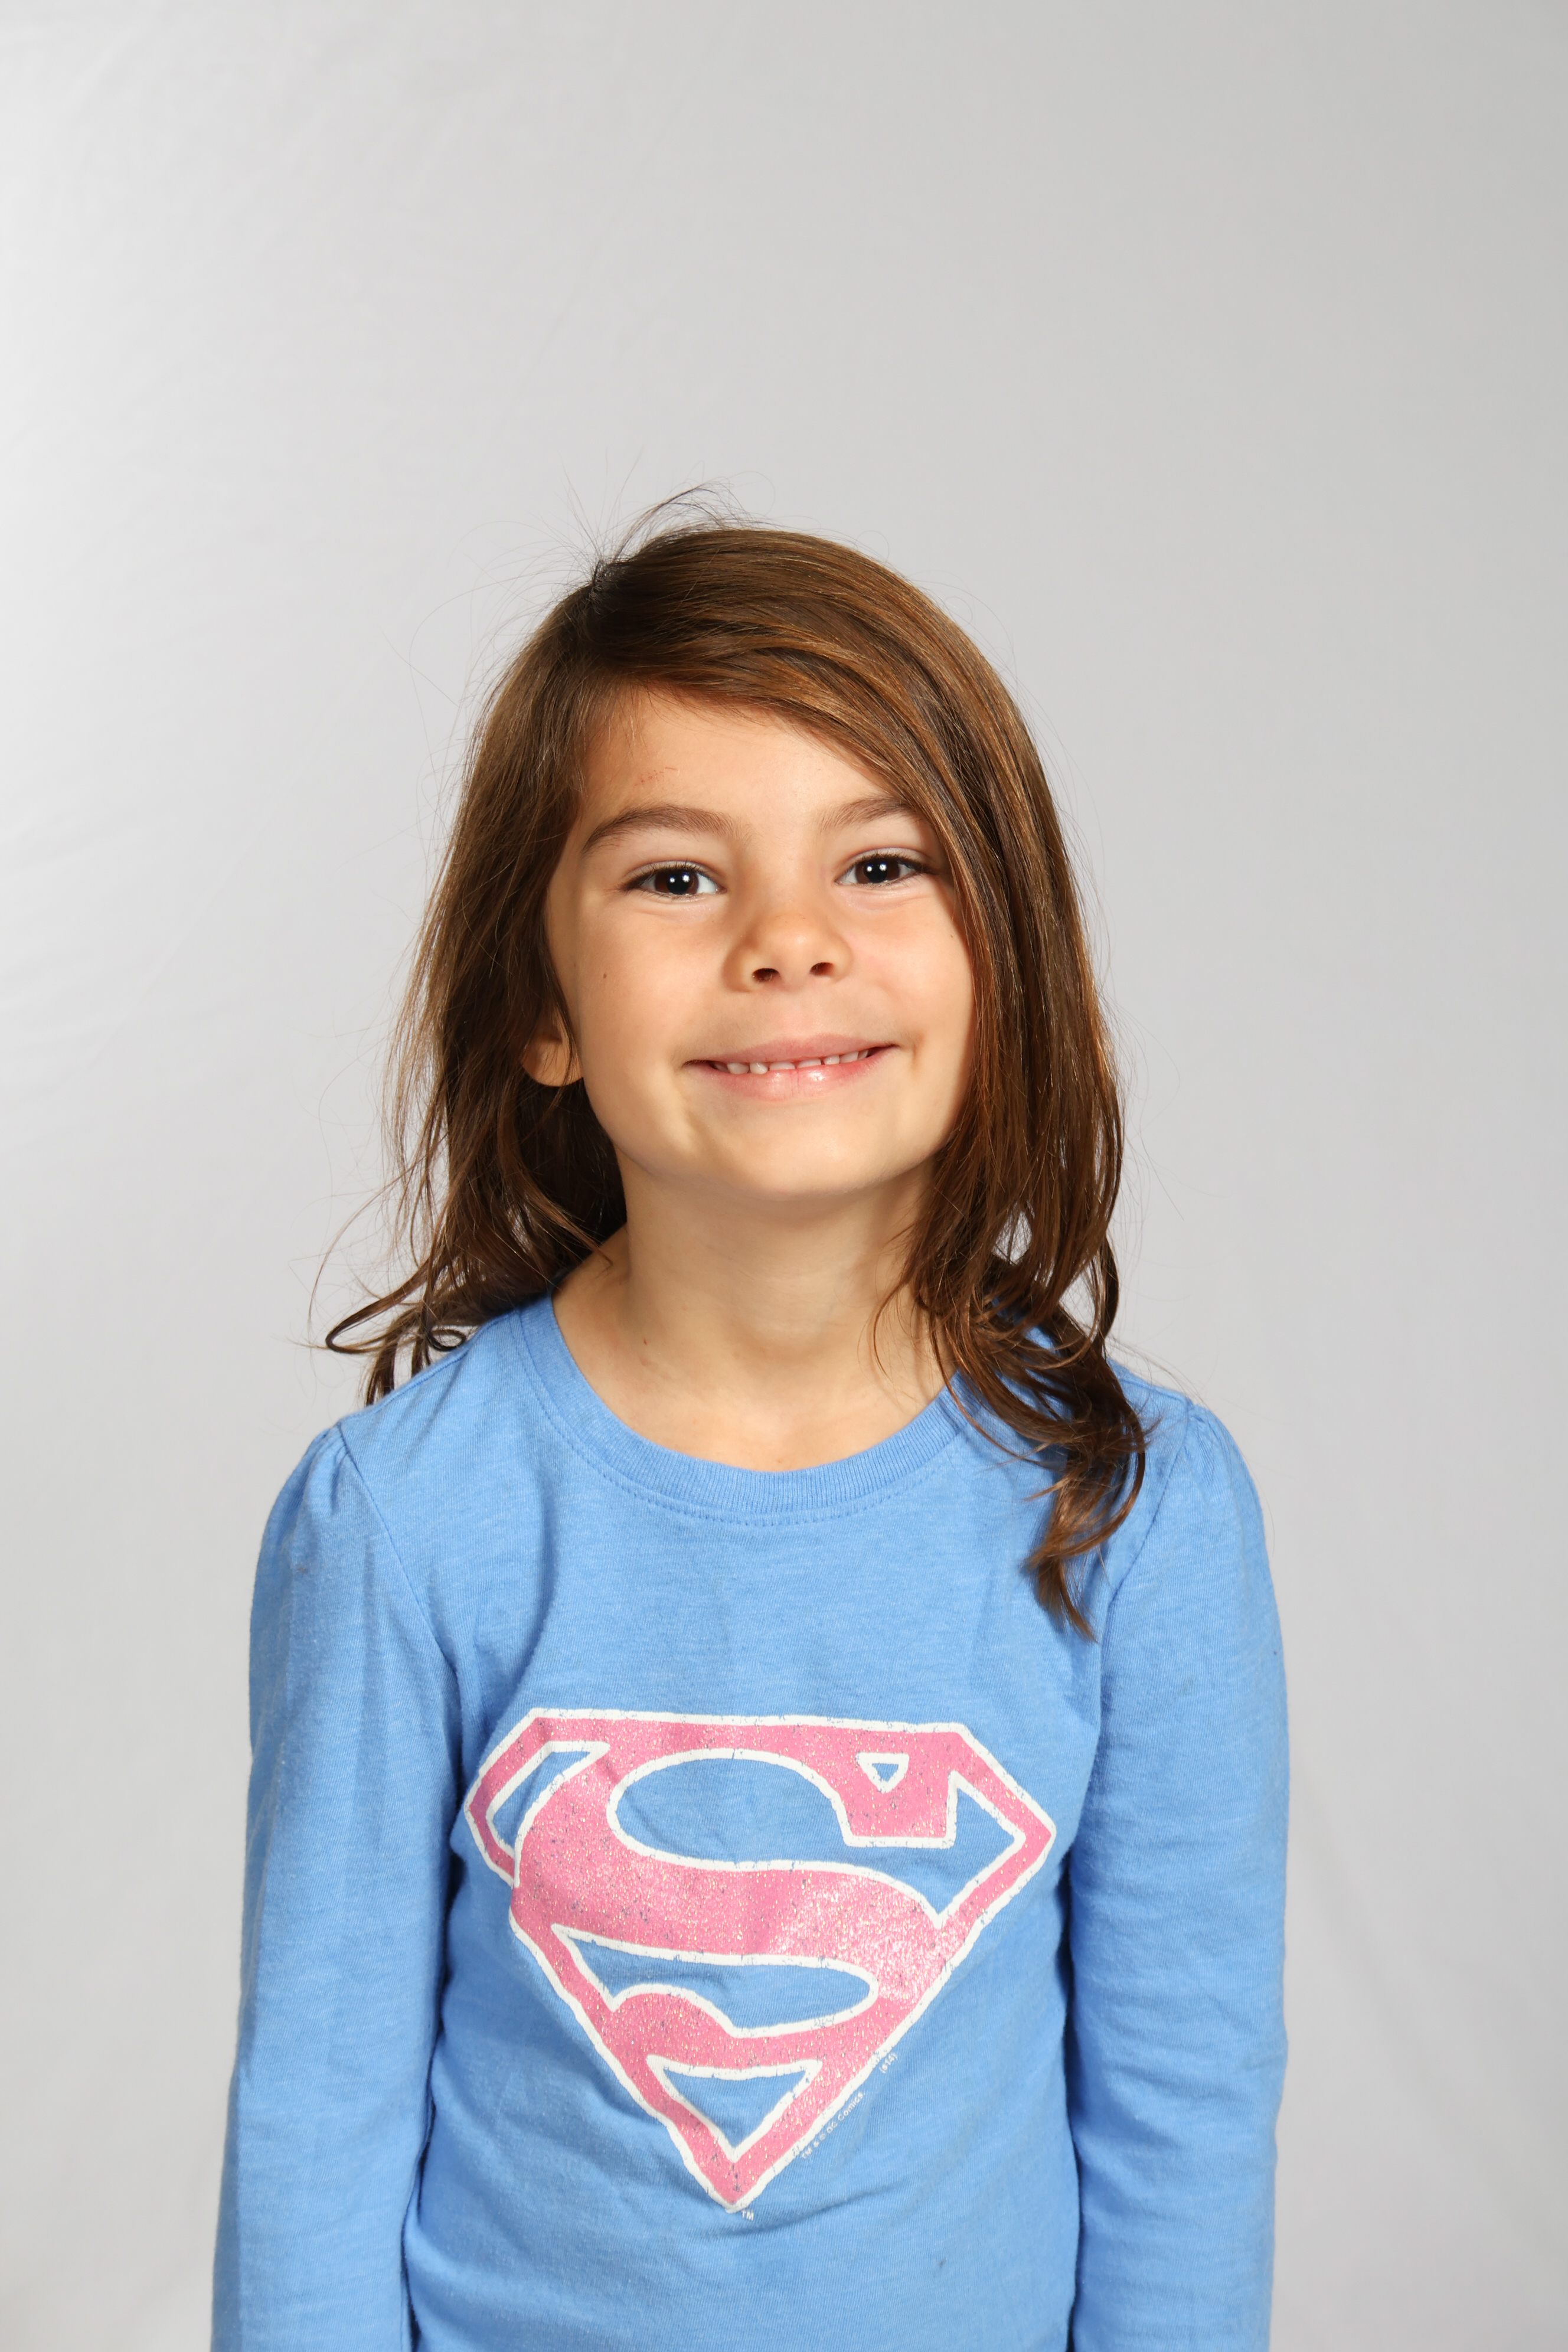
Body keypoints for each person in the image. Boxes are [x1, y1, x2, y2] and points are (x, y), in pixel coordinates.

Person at [213, 514, 1288, 2351]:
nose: (791, 941)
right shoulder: (401, 1519)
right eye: (677, 878)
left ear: (1006, 958)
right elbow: (316, 2122)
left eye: (881, 863)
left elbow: (1186, 2117)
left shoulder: (1141, 1512)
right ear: (542, 1008)